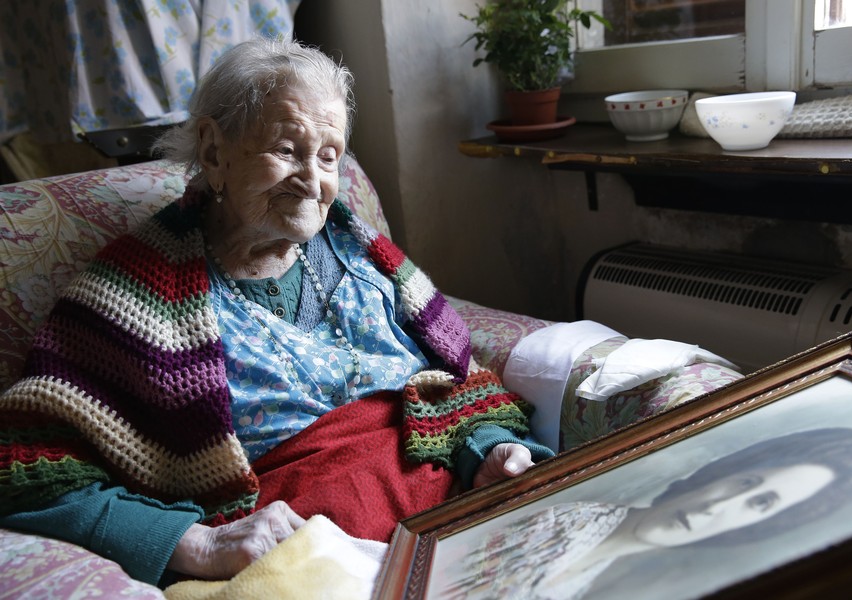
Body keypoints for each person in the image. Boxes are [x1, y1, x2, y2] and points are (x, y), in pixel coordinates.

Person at [0, 36, 552, 587]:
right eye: (287, 150)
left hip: (455, 523)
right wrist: (200, 542)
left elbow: (458, 382)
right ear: (214, 151)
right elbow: (25, 474)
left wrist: (491, 448)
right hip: (315, 567)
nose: (312, 181)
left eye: (329, 156)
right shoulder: (134, 295)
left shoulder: (364, 254)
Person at [441, 426, 852, 599]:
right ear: (723, 472)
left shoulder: (607, 570)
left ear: (763, 526)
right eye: (745, 483)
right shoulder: (566, 518)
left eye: (761, 504)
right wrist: (486, 456)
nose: (719, 506)